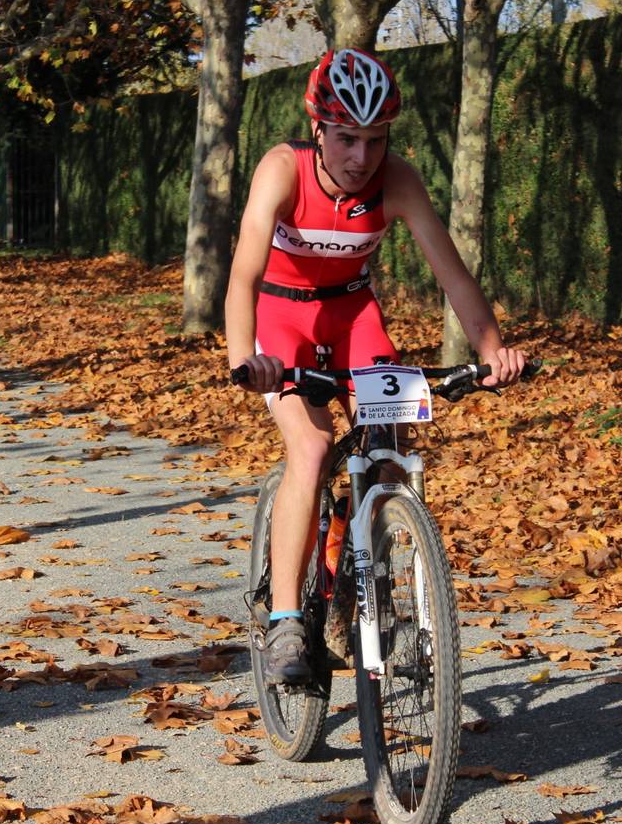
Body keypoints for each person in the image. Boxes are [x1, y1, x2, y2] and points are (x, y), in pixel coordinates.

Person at [224, 48, 527, 684]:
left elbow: (452, 273)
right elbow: (244, 273)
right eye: (346, 139)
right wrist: (245, 357)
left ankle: (368, 588)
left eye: (376, 140)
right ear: (318, 131)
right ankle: (284, 620)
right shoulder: (283, 170)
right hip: (281, 318)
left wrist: (490, 347)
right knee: (311, 447)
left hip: (353, 316)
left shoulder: (399, 181)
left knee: (388, 447)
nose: (361, 158)